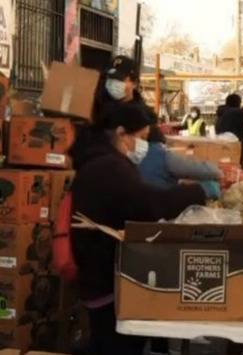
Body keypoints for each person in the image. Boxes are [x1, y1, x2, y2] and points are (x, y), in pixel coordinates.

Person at [69, 103, 206, 355]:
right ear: (121, 133)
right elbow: (146, 204)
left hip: (101, 275)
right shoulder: (107, 167)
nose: (143, 145)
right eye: (141, 138)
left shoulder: (101, 161)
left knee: (108, 342)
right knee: (114, 344)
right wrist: (196, 192)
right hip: (105, 278)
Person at [137, 125, 222, 199]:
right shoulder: (162, 155)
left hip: (144, 204)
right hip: (161, 206)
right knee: (210, 187)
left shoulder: (133, 155)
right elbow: (203, 170)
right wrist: (219, 171)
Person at [93, 55, 157, 127]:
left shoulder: (145, 118)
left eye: (119, 79)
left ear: (135, 83)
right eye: (110, 78)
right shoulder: (96, 106)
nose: (113, 83)